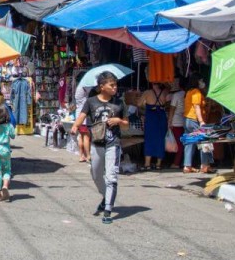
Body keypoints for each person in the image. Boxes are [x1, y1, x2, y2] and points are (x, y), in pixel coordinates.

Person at [70, 71, 128, 225]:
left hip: (113, 143)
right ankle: (105, 197)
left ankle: (108, 210)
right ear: (102, 87)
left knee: (111, 176)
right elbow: (82, 116)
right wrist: (75, 126)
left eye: (115, 85)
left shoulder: (119, 103)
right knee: (95, 174)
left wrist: (119, 121)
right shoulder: (91, 101)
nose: (115, 88)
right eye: (112, 85)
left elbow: (126, 123)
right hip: (96, 142)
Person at [182, 74, 215, 174]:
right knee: (204, 140)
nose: (202, 83)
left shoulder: (189, 92)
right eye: (201, 81)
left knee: (189, 142)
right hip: (194, 120)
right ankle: (205, 165)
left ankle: (187, 166)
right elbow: (196, 107)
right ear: (197, 81)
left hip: (187, 120)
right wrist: (201, 122)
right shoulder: (196, 92)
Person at [139, 82, 170, 171]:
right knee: (161, 139)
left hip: (151, 117)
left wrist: (145, 105)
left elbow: (139, 104)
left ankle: (147, 164)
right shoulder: (165, 92)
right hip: (162, 116)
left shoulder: (147, 92)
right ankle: (158, 164)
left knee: (149, 139)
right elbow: (168, 101)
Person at [168, 78, 187, 169]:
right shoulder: (188, 94)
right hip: (185, 121)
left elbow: (172, 109)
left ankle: (176, 163)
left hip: (176, 122)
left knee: (179, 144)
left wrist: (169, 121)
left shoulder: (176, 95)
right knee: (185, 143)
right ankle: (185, 162)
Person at [73, 84, 92, 163]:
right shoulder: (84, 86)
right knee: (86, 137)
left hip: (78, 115)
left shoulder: (77, 89)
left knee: (80, 136)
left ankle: (81, 156)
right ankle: (88, 156)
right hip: (83, 116)